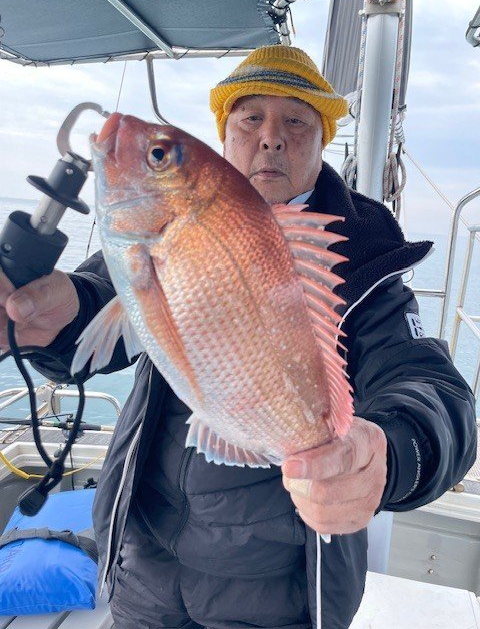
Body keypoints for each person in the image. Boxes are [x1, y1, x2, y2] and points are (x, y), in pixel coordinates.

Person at [0, 45, 476, 629]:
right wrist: (54, 324)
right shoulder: (162, 235)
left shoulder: (364, 259)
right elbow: (100, 307)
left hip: (279, 597)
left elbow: (429, 387)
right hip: (142, 568)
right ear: (225, 138)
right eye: (251, 118)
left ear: (322, 142)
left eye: (296, 121)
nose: (270, 138)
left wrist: (390, 454)